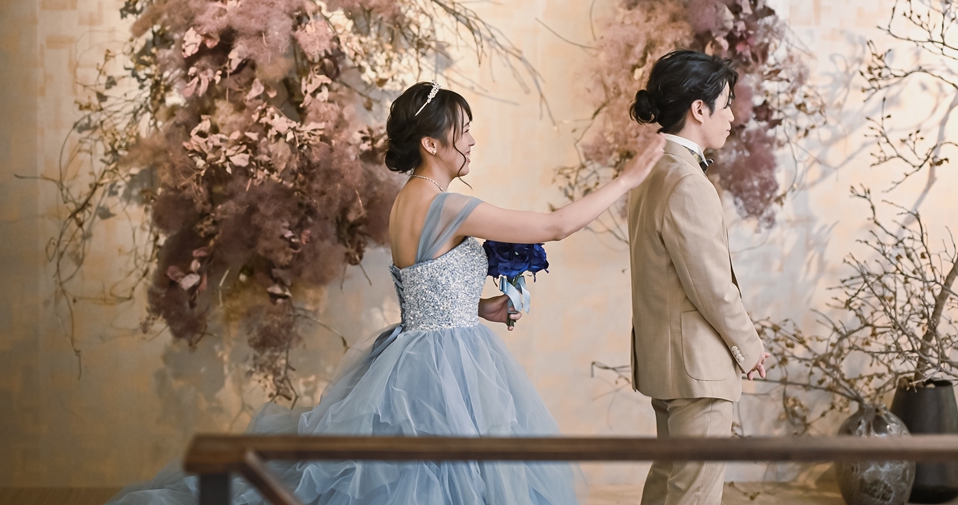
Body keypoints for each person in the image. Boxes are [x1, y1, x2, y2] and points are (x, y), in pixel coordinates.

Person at [107, 80, 664, 505]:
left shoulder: (406, 202)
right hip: (446, 370)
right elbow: (555, 226)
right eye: (463, 130)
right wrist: (629, 178)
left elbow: (425, 286)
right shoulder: (446, 206)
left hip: (411, 355)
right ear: (431, 143)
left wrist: (477, 306)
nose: (472, 140)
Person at [626, 50, 769, 505]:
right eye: (726, 104)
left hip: (667, 364)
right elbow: (711, 286)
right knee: (693, 495)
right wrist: (749, 345)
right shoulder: (686, 182)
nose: (732, 116)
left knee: (667, 486)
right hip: (698, 371)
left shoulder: (650, 173)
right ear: (699, 109)